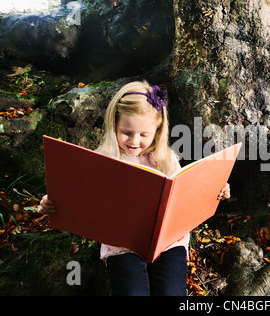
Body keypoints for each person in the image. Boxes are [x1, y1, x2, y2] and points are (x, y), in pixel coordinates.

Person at [39, 80, 231, 296]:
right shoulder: (104, 159)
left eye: (143, 135)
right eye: (126, 132)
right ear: (114, 125)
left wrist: (216, 189)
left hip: (168, 244)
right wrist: (50, 202)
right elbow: (76, 193)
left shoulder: (165, 159)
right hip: (121, 245)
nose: (134, 141)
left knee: (171, 292)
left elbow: (187, 192)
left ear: (157, 131)